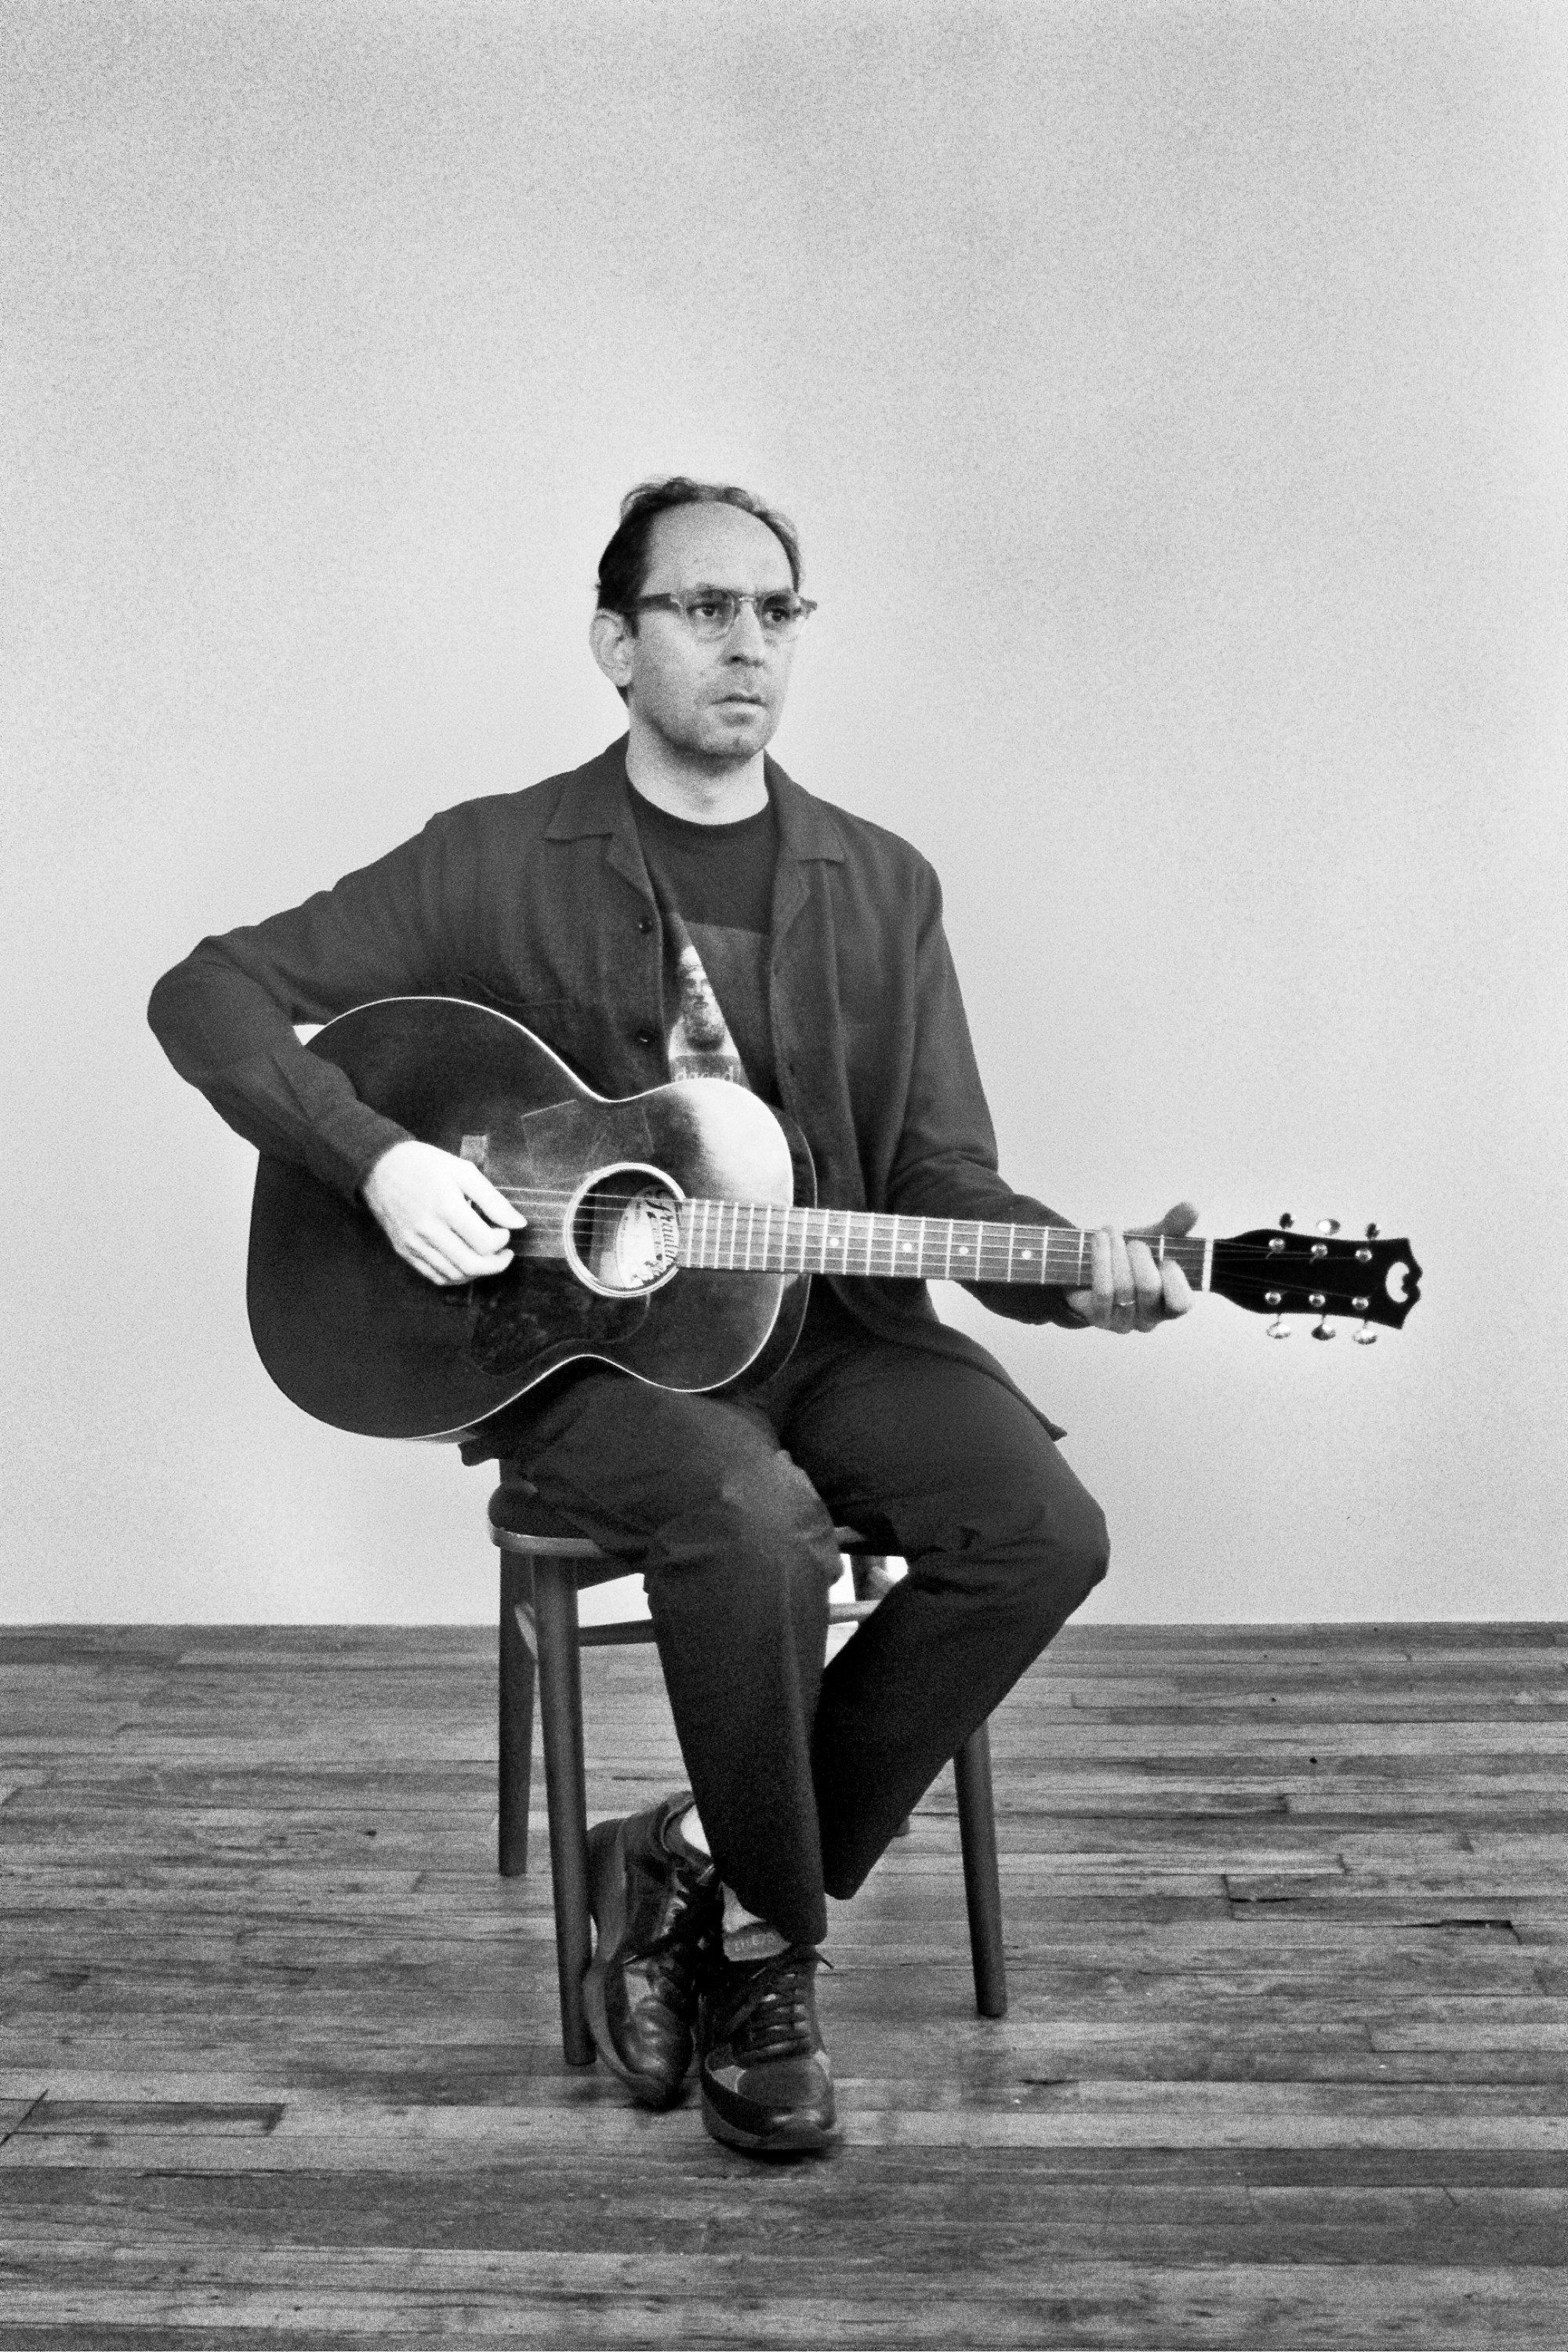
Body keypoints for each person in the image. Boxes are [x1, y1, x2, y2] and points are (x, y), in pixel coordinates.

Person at [149, 477, 1195, 2159]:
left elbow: (939, 1168)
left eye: (775, 611)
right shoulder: (496, 856)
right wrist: (381, 1161)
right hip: (586, 1350)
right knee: (750, 1519)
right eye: (703, 608)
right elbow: (207, 991)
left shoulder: (883, 883)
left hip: (834, 1324)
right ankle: (775, 1965)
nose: (746, 643)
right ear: (612, 642)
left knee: (1036, 1525)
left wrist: (1078, 1268)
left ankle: (690, 1858)